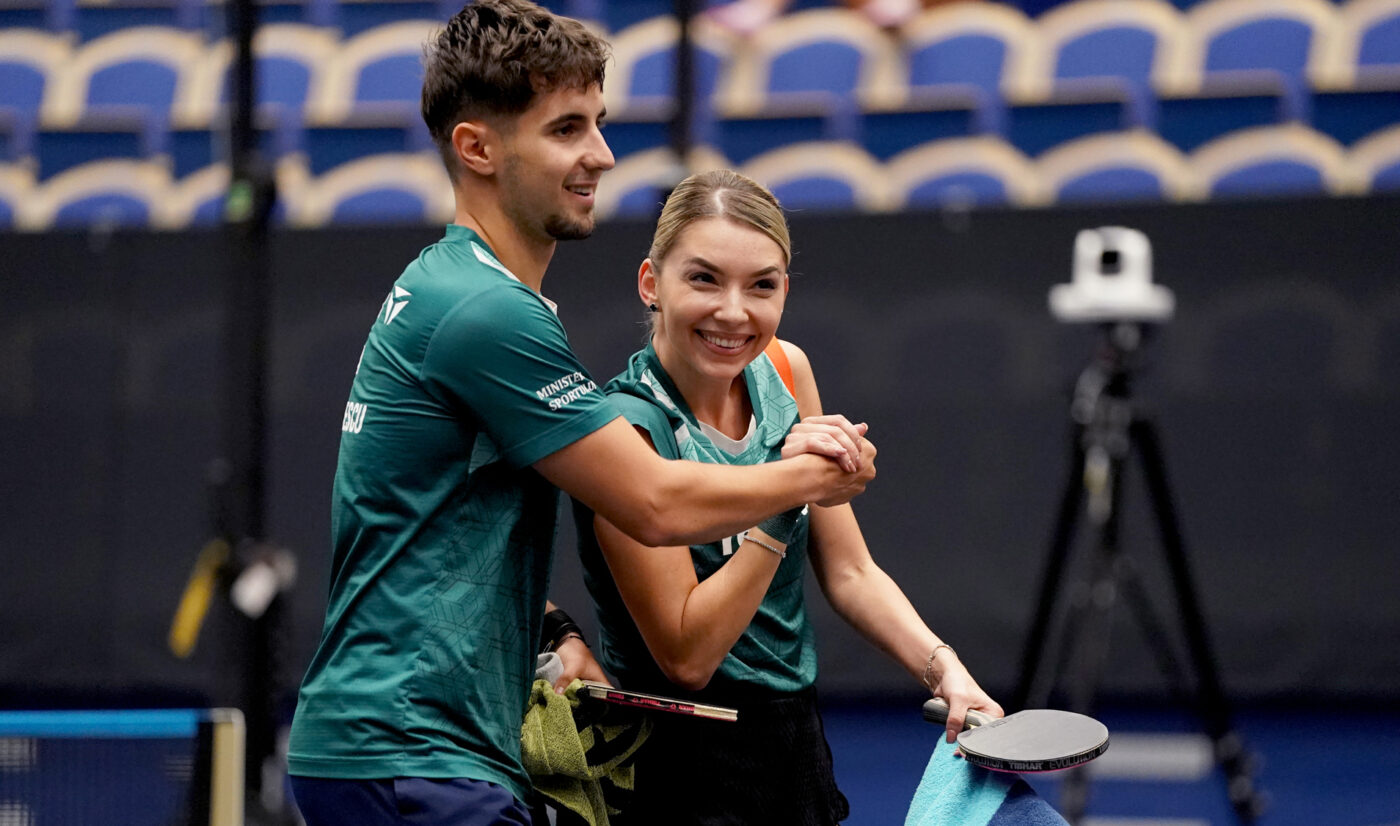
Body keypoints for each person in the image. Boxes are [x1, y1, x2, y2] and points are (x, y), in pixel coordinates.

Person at [285, 3, 877, 824]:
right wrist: (807, 476)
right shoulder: (487, 310)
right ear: (477, 148)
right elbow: (655, 504)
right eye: (567, 129)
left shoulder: (465, 291)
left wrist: (554, 630)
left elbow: (431, 526)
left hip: (410, 750)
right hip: (414, 751)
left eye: (598, 123)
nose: (601, 153)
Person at [576, 169, 1002, 824]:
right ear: (650, 283)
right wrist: (787, 495)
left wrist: (944, 669)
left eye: (762, 286)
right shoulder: (628, 430)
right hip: (677, 762)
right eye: (704, 279)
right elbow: (688, 656)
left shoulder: (783, 367)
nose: (734, 312)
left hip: (793, 740)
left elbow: (850, 569)